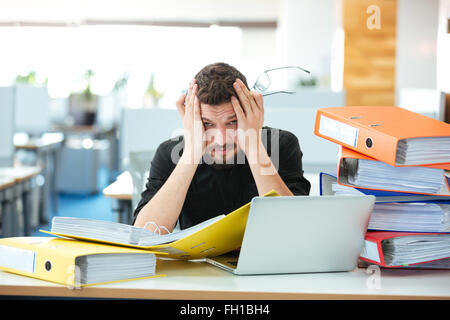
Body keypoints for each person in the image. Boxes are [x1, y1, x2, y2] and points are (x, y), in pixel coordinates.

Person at [133, 62, 311, 232]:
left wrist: (253, 146)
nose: (221, 140)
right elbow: (144, 233)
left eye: (232, 122)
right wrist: (191, 154)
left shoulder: (281, 145)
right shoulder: (170, 153)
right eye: (207, 124)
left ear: (251, 112)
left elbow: (293, 228)